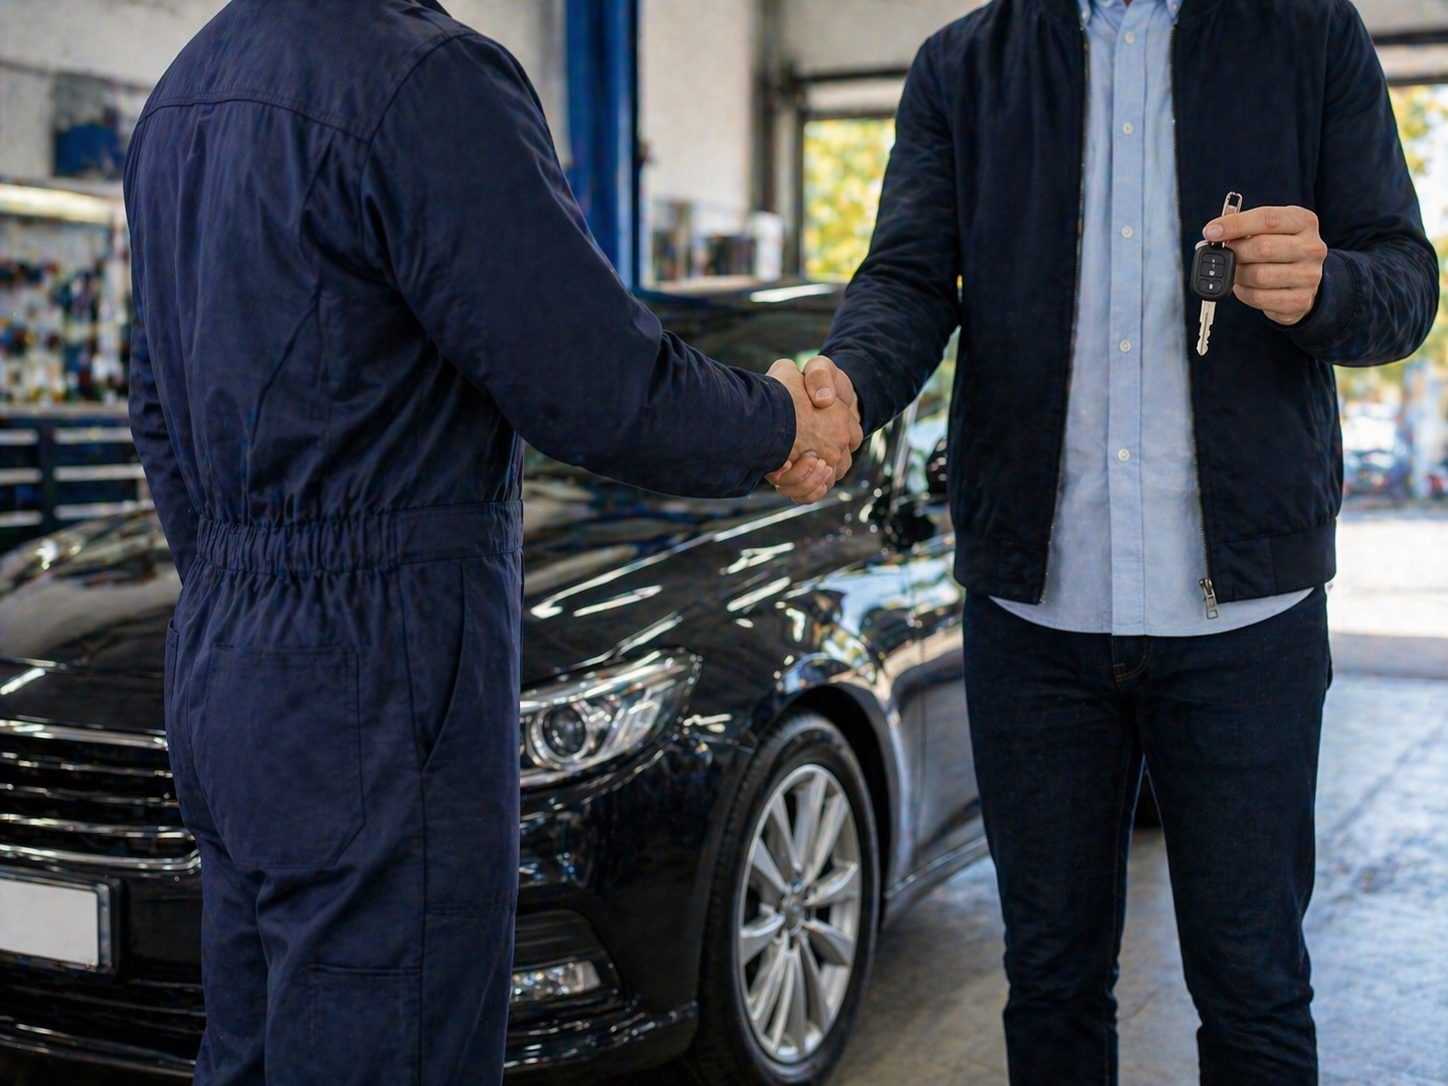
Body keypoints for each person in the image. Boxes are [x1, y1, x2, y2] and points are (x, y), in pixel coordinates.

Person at [124, 1, 860, 1083]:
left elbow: (154, 404)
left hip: (225, 665)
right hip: (377, 674)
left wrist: (250, 596)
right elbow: (592, 381)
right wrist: (776, 423)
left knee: (251, 1047)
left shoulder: (180, 96)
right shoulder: (426, 80)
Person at [776, 0, 1438, 1081]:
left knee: (1254, 984)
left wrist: (1329, 286)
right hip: (1034, 619)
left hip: (1246, 621)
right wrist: (842, 386)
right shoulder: (962, 66)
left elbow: (1405, 286)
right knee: (1048, 981)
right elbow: (904, 278)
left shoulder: (1307, 34)